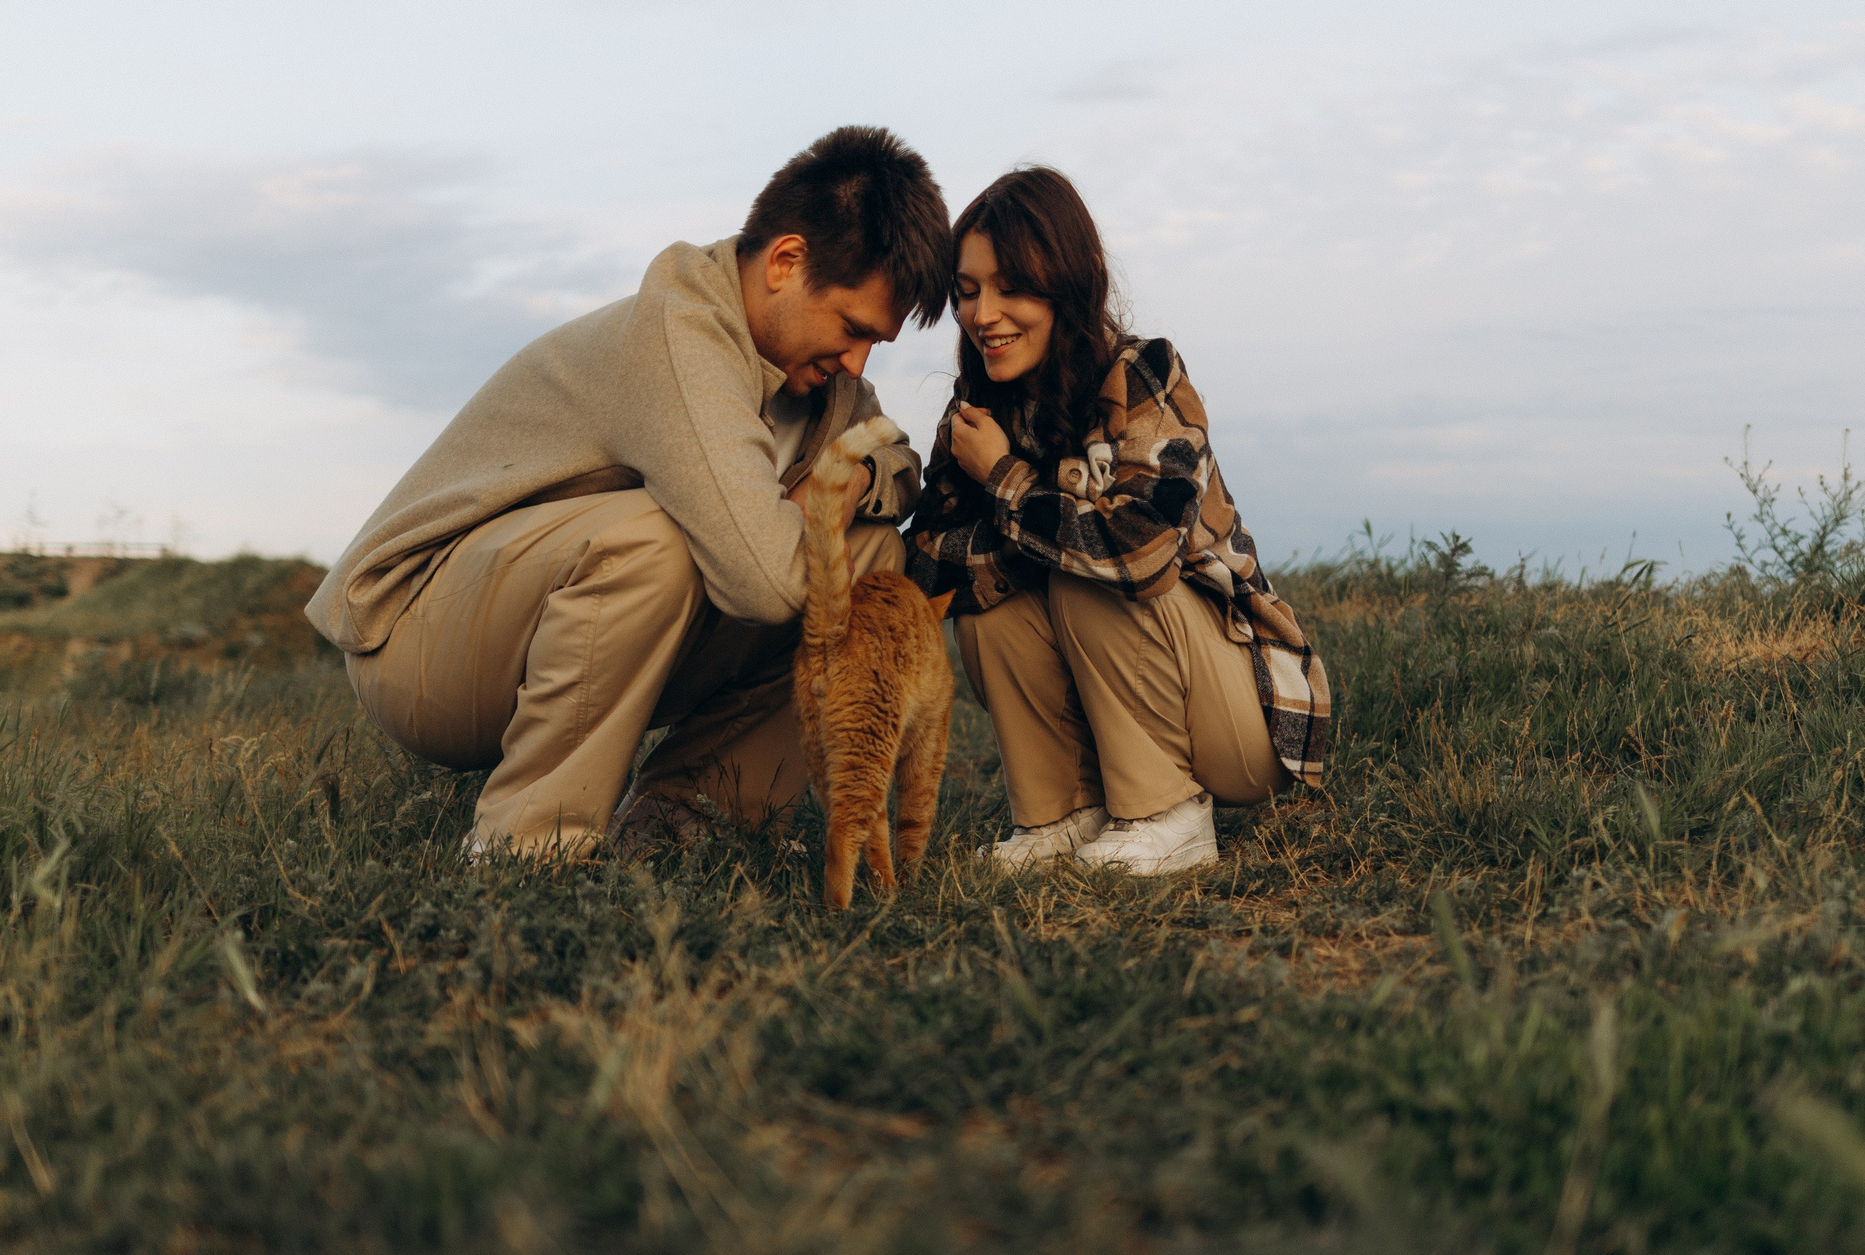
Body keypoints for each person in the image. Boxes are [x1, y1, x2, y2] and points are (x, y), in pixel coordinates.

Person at [305, 127, 954, 859]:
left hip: (556, 635)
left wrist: (853, 480)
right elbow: (766, 583)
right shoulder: (680, 334)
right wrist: (811, 504)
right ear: (785, 261)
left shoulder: (825, 386)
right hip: (418, 643)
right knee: (657, 538)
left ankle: (688, 817)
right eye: (852, 328)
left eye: (877, 345)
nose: (857, 362)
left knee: (870, 557)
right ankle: (526, 847)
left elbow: (898, 456)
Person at [905, 168, 1331, 876]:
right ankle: (1061, 816)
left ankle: (1168, 814)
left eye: (1011, 287)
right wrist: (1038, 527)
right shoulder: (976, 413)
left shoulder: (1145, 376)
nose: (983, 314)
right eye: (968, 290)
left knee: (1091, 573)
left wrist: (1009, 485)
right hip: (1119, 695)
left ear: (1073, 282)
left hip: (1244, 720)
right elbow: (930, 565)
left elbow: (1139, 553)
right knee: (989, 607)